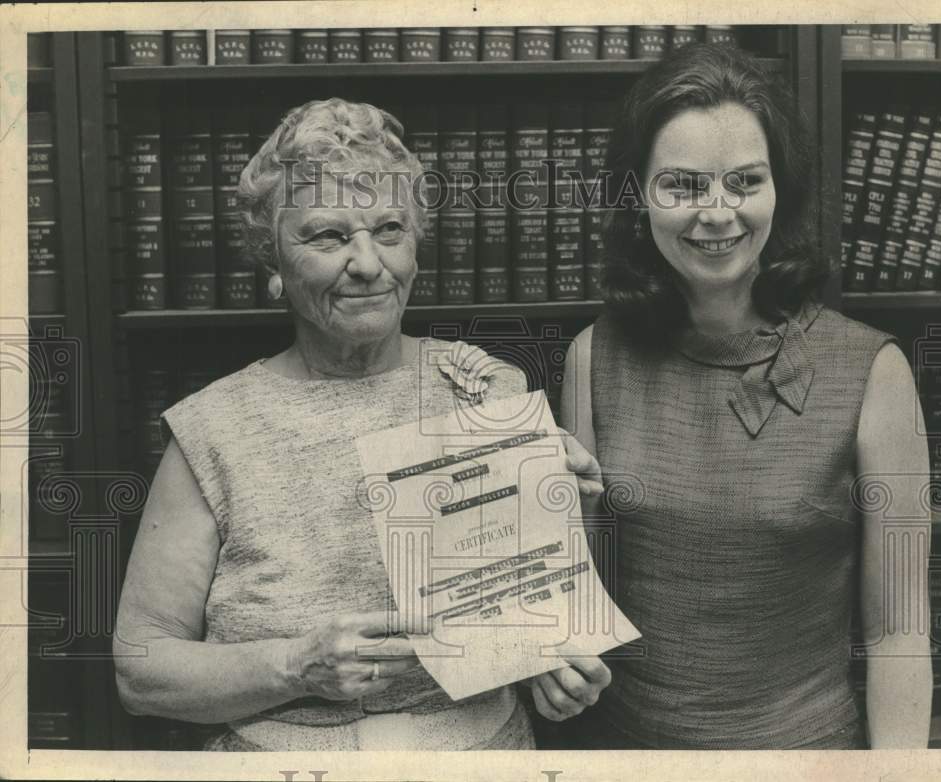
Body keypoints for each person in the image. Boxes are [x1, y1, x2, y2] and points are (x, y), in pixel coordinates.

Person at [113, 97, 610, 751]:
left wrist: (558, 663)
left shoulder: (488, 392)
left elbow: (537, 625)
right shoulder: (213, 429)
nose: (369, 264)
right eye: (327, 235)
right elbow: (140, 671)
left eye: (389, 230)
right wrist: (296, 665)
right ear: (273, 263)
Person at [561, 44, 932, 749]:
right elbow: (578, 609)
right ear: (639, 193)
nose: (717, 213)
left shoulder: (874, 371)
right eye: (683, 185)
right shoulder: (592, 357)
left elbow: (900, 630)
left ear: (779, 190)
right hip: (629, 756)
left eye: (744, 181)